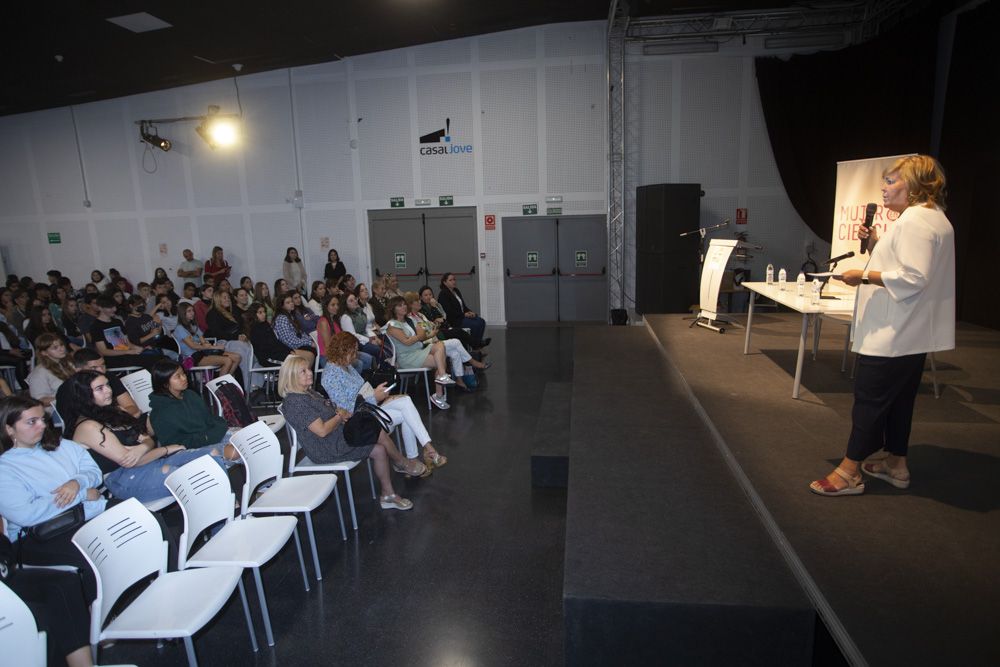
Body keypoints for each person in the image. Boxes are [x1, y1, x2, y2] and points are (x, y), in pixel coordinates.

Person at [810, 155, 955, 496]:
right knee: (900, 402)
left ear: (916, 185)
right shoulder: (936, 219)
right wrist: (876, 244)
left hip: (892, 334)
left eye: (892, 181)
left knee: (870, 401)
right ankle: (896, 463)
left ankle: (849, 472)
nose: (884, 188)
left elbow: (913, 277)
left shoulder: (915, 221)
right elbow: (914, 267)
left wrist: (861, 274)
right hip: (912, 333)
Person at [55, 371, 236, 504]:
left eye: (107, 385)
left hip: (149, 460)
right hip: (122, 478)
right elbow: (130, 461)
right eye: (100, 388)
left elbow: (146, 439)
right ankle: (219, 523)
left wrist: (143, 447)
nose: (108, 391)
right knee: (197, 477)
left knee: (212, 458)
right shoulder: (88, 426)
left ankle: (224, 516)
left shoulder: (114, 411)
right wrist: (163, 449)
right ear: (84, 394)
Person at [278, 355, 423, 510]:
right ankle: (401, 463)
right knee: (374, 430)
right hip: (326, 447)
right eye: (303, 371)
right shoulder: (295, 403)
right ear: (292, 377)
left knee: (379, 448)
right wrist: (340, 416)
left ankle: (388, 494)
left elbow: (329, 412)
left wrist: (339, 412)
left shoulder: (308, 393)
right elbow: (322, 431)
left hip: (335, 437)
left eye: (308, 369)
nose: (309, 373)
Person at [0, 396, 106, 604]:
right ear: (9, 429)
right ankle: (102, 622)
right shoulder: (5, 467)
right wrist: (82, 493)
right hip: (37, 536)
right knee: (99, 555)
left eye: (42, 419)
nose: (43, 425)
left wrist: (77, 482)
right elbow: (27, 514)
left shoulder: (59, 445)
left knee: (146, 521)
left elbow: (93, 471)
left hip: (83, 514)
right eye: (32, 422)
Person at [323, 332, 447, 469]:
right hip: (358, 421)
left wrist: (379, 396)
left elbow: (361, 391)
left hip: (368, 410)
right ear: (342, 350)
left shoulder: (345, 366)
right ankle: (427, 451)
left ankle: (416, 458)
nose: (355, 355)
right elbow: (345, 410)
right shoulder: (330, 375)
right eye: (353, 352)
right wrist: (374, 397)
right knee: (406, 405)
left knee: (406, 406)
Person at [148, 359, 239, 450]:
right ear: (165, 384)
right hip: (192, 449)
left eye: (183, 374)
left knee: (246, 437)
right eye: (178, 376)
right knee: (238, 450)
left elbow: (210, 419)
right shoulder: (160, 411)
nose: (184, 378)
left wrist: (217, 429)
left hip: (210, 436)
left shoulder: (190, 395)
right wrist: (208, 437)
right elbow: (175, 444)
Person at [406, 291, 488, 391]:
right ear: (410, 304)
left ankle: (459, 380)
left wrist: (433, 327)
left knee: (455, 353)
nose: (419, 302)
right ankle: (473, 362)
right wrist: (431, 332)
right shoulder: (410, 319)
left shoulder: (420, 315)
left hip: (434, 341)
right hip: (426, 346)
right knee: (456, 342)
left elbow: (431, 326)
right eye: (416, 300)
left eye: (419, 300)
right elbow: (421, 335)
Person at [384, 296, 455, 410]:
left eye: (404, 304)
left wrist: (415, 337)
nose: (404, 307)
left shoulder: (410, 320)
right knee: (440, 359)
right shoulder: (392, 325)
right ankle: (438, 394)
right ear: (393, 309)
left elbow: (422, 334)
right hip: (407, 357)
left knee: (440, 346)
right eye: (400, 305)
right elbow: (407, 341)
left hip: (418, 350)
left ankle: (441, 377)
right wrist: (417, 337)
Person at [89, 295, 161, 371]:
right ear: (100, 308)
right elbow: (103, 351)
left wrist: (140, 348)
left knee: (160, 358)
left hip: (127, 353)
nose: (114, 309)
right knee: (155, 360)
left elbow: (127, 342)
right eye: (110, 308)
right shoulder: (95, 326)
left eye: (114, 307)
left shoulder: (117, 322)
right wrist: (128, 351)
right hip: (113, 359)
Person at [173, 302, 240, 378]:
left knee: (237, 357)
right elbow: (194, 346)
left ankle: (227, 380)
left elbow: (203, 341)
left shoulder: (193, 326)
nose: (192, 313)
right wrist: (213, 347)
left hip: (202, 352)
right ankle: (219, 387)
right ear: (182, 313)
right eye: (189, 311)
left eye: (193, 310)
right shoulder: (180, 328)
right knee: (227, 361)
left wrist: (207, 344)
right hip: (192, 357)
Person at [70, 348, 141, 417]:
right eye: (94, 368)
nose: (101, 371)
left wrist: (118, 416)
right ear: (78, 370)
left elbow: (131, 407)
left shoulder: (109, 377)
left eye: (103, 365)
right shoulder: (69, 388)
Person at [205, 291, 253, 388]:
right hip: (223, 342)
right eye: (224, 297)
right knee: (242, 350)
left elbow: (238, 328)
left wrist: (242, 335)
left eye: (228, 297)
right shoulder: (212, 314)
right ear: (218, 299)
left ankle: (251, 384)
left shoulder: (229, 312)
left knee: (249, 349)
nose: (227, 299)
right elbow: (217, 333)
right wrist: (236, 337)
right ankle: (247, 386)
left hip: (233, 340)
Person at [438, 272, 490, 349]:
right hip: (454, 320)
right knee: (475, 325)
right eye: (450, 280)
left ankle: (478, 344)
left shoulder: (456, 291)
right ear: (445, 282)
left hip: (462, 316)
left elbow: (463, 307)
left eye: (454, 279)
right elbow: (449, 312)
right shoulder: (443, 294)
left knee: (481, 321)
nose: (453, 281)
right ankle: (474, 345)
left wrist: (469, 312)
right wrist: (464, 315)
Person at [26, 334, 75, 407]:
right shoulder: (39, 373)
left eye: (61, 345)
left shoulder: (66, 363)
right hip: (57, 410)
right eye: (55, 348)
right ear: (44, 353)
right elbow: (39, 400)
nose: (61, 349)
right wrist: (66, 398)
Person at [244, 302, 296, 367]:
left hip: (275, 354)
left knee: (296, 359)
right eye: (260, 313)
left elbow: (276, 341)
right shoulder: (254, 330)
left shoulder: (265, 324)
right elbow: (267, 348)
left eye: (264, 312)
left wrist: (289, 350)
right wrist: (286, 354)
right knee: (294, 363)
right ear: (253, 314)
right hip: (268, 358)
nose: (264, 314)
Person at [272, 293, 316, 368]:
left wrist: (310, 340)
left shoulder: (291, 316)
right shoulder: (282, 318)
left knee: (314, 348)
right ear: (282, 305)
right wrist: (309, 343)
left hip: (295, 344)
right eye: (288, 303)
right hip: (287, 348)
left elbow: (300, 334)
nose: (292, 304)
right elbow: (289, 341)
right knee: (311, 351)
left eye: (292, 301)